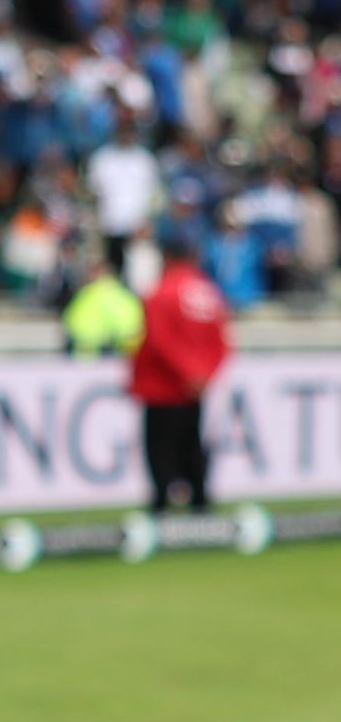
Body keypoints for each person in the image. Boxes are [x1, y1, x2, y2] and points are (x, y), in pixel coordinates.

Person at [131, 229, 230, 513]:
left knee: (160, 447)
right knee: (192, 442)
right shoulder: (209, 293)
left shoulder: (162, 292)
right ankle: (199, 500)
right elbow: (222, 343)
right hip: (193, 389)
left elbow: (159, 340)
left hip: (163, 386)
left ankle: (162, 502)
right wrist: (203, 376)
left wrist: (187, 372)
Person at [87, 105, 162, 270]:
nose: (125, 134)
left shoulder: (145, 160)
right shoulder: (102, 159)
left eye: (129, 130)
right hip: (108, 227)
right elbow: (92, 194)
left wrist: (148, 222)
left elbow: (155, 196)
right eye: (122, 130)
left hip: (137, 230)